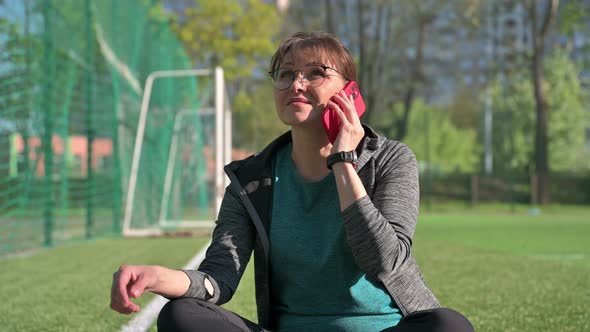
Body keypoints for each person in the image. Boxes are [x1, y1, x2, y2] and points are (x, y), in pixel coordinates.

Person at [110, 31, 474, 332]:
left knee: (449, 326)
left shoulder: (392, 160)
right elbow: (218, 279)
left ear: (349, 92)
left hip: (385, 330)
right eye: (285, 74)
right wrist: (158, 276)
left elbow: (384, 262)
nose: (296, 84)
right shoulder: (250, 179)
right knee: (181, 315)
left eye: (315, 73)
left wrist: (343, 162)